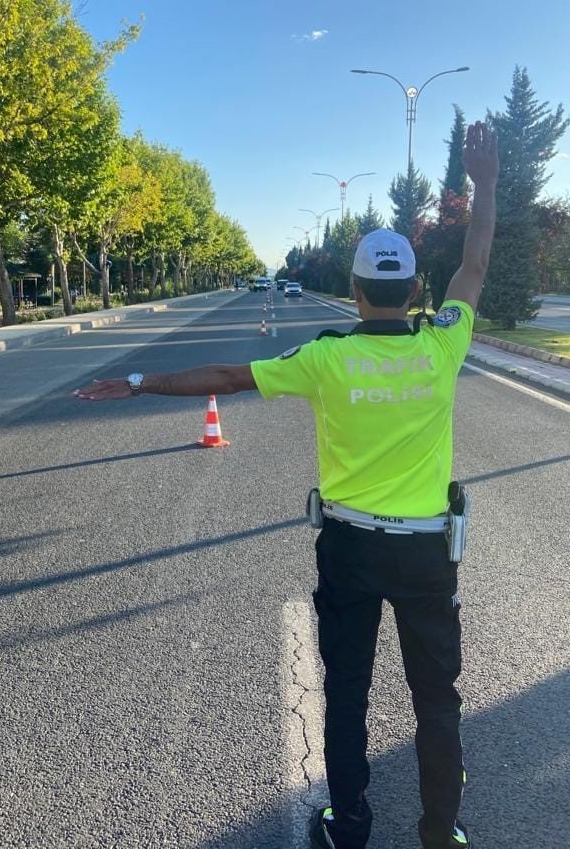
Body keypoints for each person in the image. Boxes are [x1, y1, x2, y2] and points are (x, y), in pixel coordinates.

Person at [75, 121, 499, 849]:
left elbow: (227, 377)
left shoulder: (326, 357)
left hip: (351, 549)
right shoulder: (443, 342)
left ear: (358, 291)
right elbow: (476, 265)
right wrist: (484, 181)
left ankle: (352, 825)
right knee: (437, 700)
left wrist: (139, 381)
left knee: (348, 696)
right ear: (413, 289)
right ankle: (441, 832)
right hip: (430, 553)